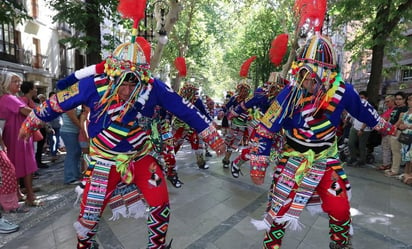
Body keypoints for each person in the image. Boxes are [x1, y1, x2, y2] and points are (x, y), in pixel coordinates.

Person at [19, 38, 225, 249]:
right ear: (111, 76)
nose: (127, 91)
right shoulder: (92, 85)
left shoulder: (153, 88)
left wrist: (211, 134)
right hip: (104, 164)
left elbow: (185, 109)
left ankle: (156, 246)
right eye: (122, 84)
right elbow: (58, 101)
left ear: (142, 79)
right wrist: (32, 120)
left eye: (133, 84)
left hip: (142, 159)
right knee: (88, 216)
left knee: (160, 202)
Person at [248, 34, 395, 249]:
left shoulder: (342, 91)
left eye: (313, 77)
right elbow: (265, 129)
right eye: (303, 74)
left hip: (326, 164)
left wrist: (385, 127)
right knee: (280, 209)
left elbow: (364, 111)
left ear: (326, 75)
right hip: (293, 164)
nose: (307, 81)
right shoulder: (289, 95)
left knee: (339, 205)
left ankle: (340, 243)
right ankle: (272, 246)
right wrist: (258, 164)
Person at [0, 72, 42, 207]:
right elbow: (28, 112)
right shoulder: (8, 98)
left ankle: (18, 193)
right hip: (17, 137)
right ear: (6, 84)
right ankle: (30, 196)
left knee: (15, 165)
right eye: (14, 81)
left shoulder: (10, 97)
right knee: (27, 165)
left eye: (19, 81)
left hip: (14, 136)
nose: (18, 83)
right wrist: (46, 113)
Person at [385, 92, 407, 177]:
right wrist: (388, 127)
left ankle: (395, 170)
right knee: (393, 151)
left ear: (404, 100)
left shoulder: (404, 109)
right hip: (391, 130)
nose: (398, 101)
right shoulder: (395, 108)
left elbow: (400, 120)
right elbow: (391, 119)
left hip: (397, 131)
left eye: (400, 99)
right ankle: (392, 168)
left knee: (396, 151)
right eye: (396, 99)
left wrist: (393, 129)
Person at [347, 91, 372, 167]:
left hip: (364, 129)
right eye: (359, 97)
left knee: (362, 146)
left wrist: (361, 129)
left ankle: (362, 160)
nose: (360, 99)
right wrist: (346, 120)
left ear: (366, 98)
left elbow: (367, 120)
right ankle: (353, 158)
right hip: (354, 127)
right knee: (350, 143)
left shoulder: (368, 107)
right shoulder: (356, 105)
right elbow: (350, 114)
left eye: (362, 97)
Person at [60, 107, 82, 185]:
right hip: (68, 131)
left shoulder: (76, 104)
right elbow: (73, 119)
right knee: (72, 153)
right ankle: (70, 177)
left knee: (76, 153)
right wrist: (83, 128)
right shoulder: (70, 104)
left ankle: (76, 175)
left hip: (74, 131)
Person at [377, 95, 395, 170]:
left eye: (388, 101)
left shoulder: (393, 110)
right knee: (386, 148)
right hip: (385, 132)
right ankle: (387, 163)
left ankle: (386, 164)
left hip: (389, 132)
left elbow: (385, 119)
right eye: (385, 102)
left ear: (393, 101)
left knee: (386, 148)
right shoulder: (388, 110)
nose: (386, 103)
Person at [397, 94, 412, 185]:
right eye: (409, 100)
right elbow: (401, 123)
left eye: (411, 100)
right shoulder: (406, 113)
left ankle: (410, 175)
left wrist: (408, 126)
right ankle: (406, 173)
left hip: (411, 136)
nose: (409, 102)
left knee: (411, 157)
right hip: (405, 136)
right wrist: (401, 125)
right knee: (406, 156)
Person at [47, 91, 63, 162]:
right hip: (51, 126)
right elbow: (46, 116)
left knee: (57, 140)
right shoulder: (47, 106)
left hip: (58, 125)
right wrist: (49, 127)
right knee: (53, 140)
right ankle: (53, 154)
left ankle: (54, 153)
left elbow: (61, 115)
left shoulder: (58, 105)